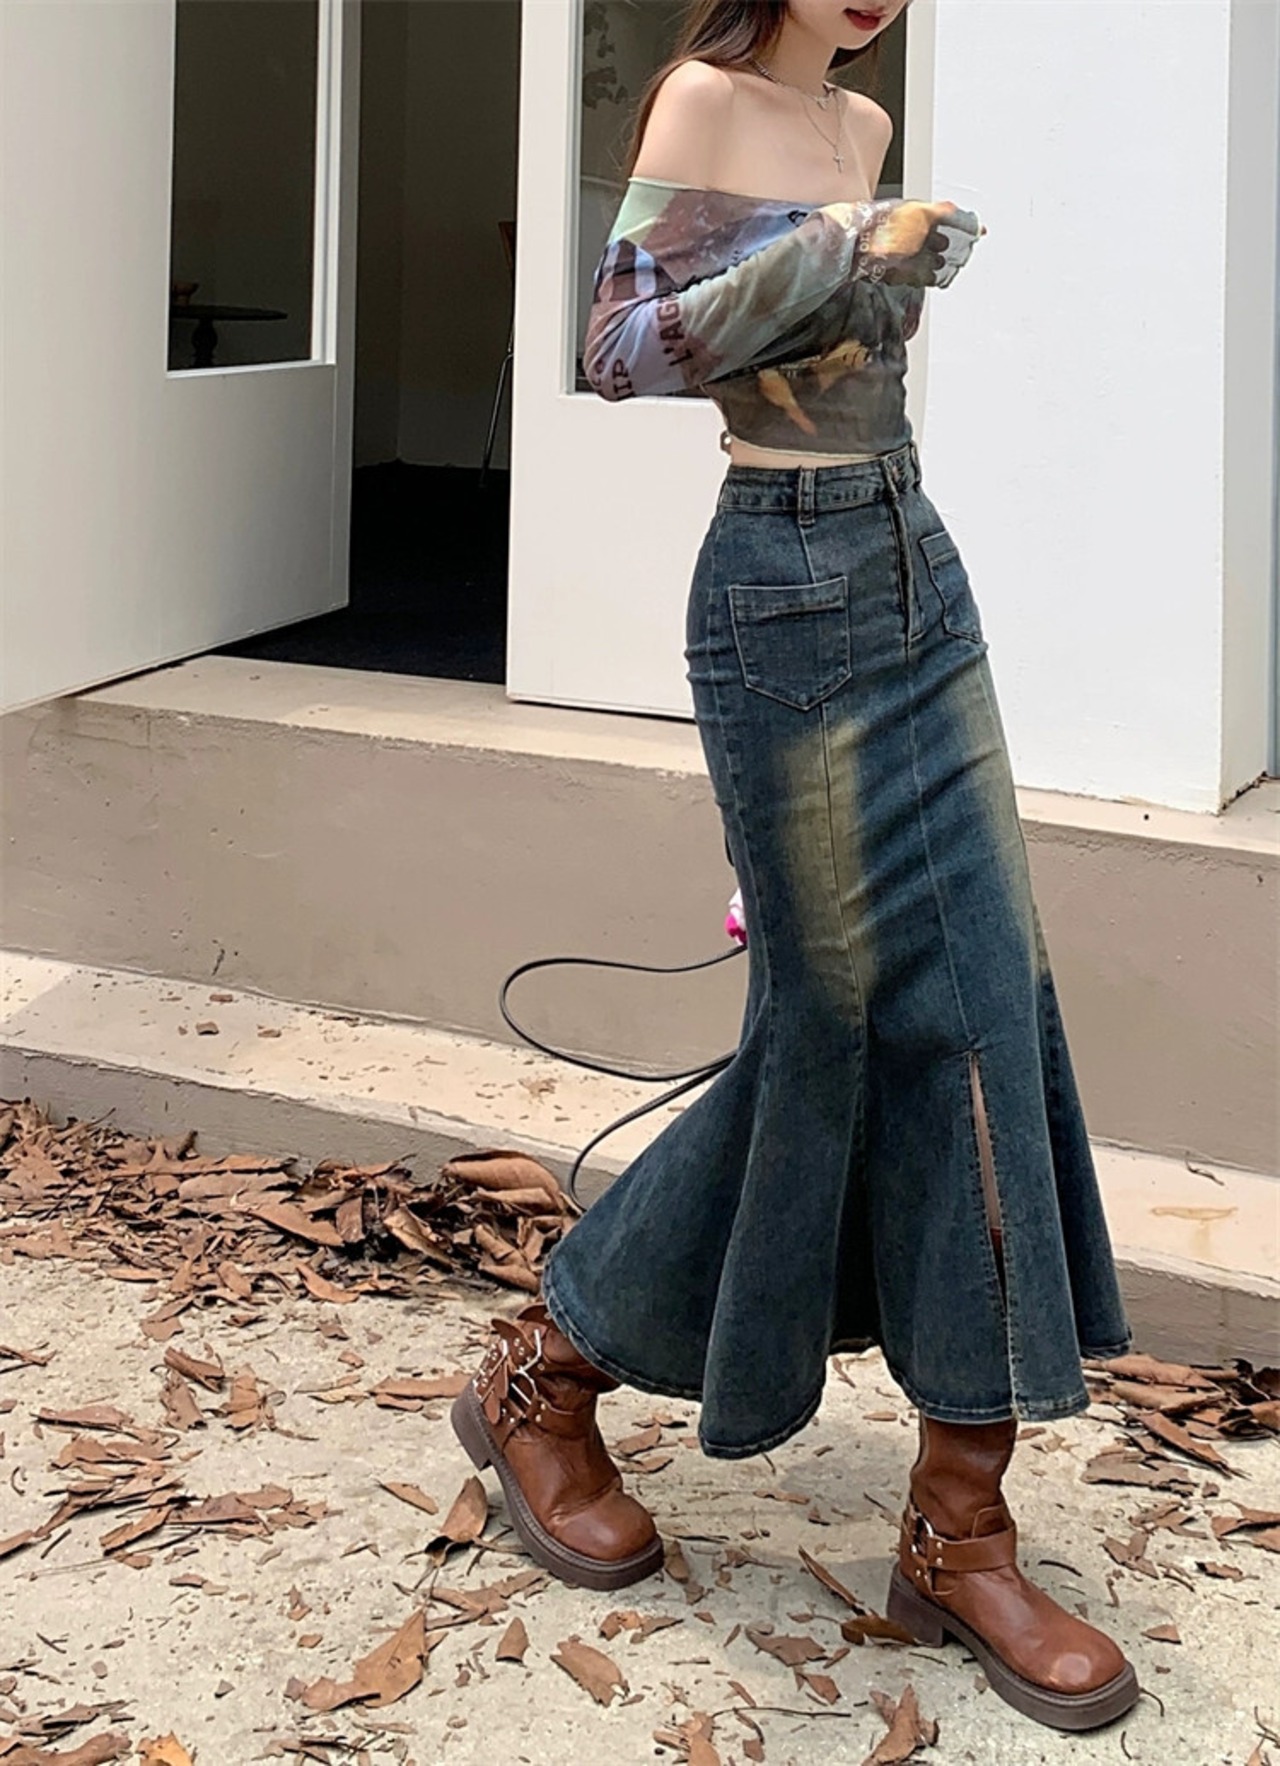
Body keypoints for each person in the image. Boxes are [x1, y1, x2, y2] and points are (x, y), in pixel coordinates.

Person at [452, 0, 1140, 1733]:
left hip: (917, 566)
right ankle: (546, 1371)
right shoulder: (705, 101)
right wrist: (833, 253)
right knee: (822, 1035)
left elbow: (843, 354)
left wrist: (886, 248)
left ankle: (961, 1527)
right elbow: (617, 345)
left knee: (988, 1011)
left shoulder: (868, 130)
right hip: (779, 588)